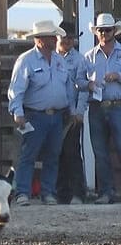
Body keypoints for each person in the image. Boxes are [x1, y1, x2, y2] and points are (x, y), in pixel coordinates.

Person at [7, 20, 75, 206]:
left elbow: (67, 87)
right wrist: (17, 112)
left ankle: (48, 192)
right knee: (28, 155)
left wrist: (71, 108)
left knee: (53, 155)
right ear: (40, 40)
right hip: (34, 115)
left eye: (54, 36)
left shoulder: (59, 61)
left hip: (57, 115)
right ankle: (23, 192)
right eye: (51, 36)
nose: (55, 39)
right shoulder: (26, 60)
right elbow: (16, 89)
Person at [81, 13, 121, 205]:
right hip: (96, 107)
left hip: (117, 106)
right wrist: (88, 84)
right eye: (101, 30)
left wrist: (119, 76)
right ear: (96, 32)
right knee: (100, 152)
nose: (104, 33)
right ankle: (107, 191)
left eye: (108, 30)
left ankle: (112, 191)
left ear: (114, 31)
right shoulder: (88, 57)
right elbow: (79, 80)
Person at [54, 21, 88, 205]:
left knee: (72, 153)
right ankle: (61, 193)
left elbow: (83, 88)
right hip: (53, 112)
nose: (67, 40)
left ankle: (78, 193)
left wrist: (79, 112)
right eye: (64, 37)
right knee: (55, 153)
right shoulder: (50, 56)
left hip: (71, 113)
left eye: (70, 38)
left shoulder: (79, 59)